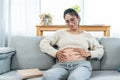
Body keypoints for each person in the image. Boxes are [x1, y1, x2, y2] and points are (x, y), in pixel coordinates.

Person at [39, 8, 104, 80]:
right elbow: (43, 43)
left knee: (75, 78)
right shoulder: (60, 33)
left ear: (78, 18)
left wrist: (89, 53)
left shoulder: (87, 35)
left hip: (81, 66)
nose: (70, 23)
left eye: (72, 19)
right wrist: (55, 53)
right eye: (67, 21)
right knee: (48, 76)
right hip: (61, 66)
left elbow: (100, 50)